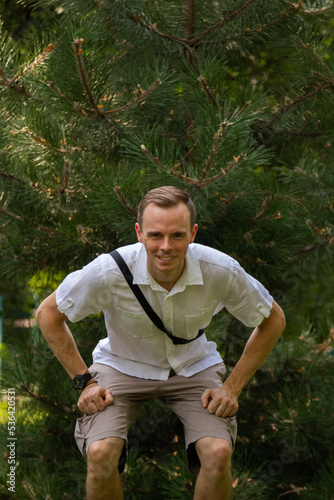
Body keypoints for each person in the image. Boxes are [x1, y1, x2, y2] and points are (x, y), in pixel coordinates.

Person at [36, 185, 285, 500]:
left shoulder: (220, 270)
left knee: (218, 453)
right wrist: (84, 382)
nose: (166, 247)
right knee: (100, 453)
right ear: (139, 233)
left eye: (177, 235)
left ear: (193, 233)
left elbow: (273, 319)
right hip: (122, 365)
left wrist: (232, 388)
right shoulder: (108, 271)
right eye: (155, 235)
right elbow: (47, 314)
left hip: (192, 367)